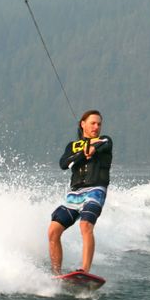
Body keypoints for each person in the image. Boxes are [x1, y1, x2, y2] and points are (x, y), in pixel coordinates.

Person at [48, 109, 112, 275]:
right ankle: (56, 274)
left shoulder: (105, 140)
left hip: (96, 190)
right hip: (75, 194)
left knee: (85, 225)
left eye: (99, 124)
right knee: (53, 230)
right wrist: (81, 154)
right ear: (83, 124)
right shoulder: (72, 146)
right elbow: (63, 163)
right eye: (93, 123)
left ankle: (84, 269)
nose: (96, 126)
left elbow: (102, 145)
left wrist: (91, 149)